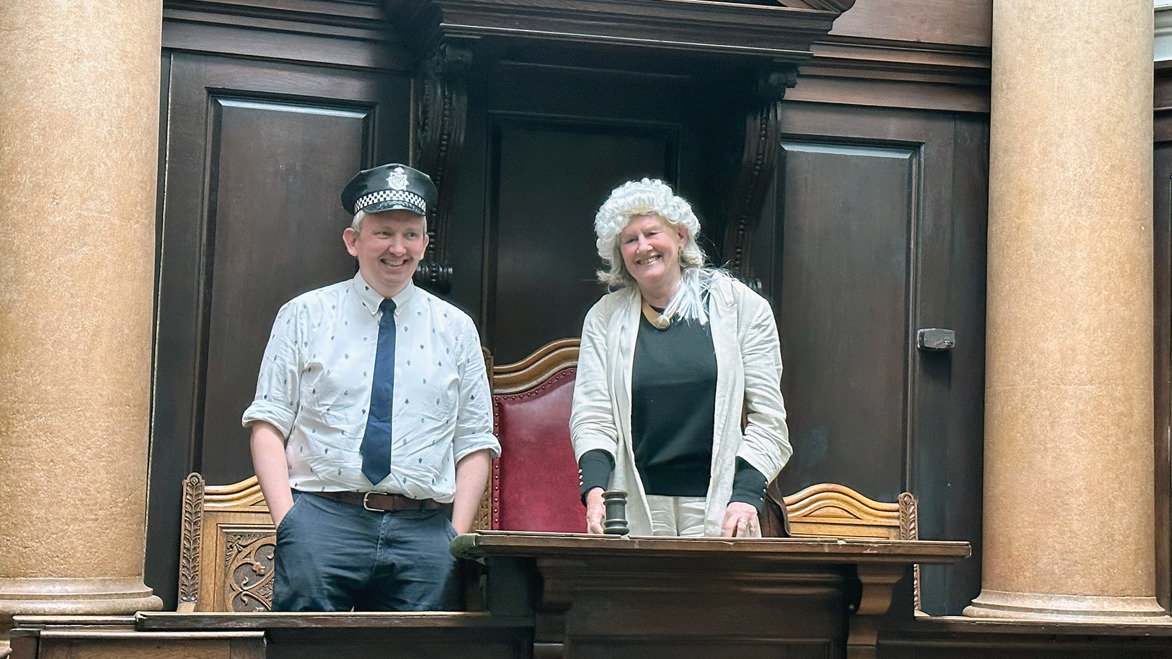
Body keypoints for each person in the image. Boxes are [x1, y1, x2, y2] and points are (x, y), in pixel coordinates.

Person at [242, 163, 499, 611]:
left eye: (411, 234)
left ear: (424, 243)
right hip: (322, 522)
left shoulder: (457, 329)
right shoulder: (304, 315)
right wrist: (291, 523)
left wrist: (453, 536)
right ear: (353, 241)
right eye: (383, 233)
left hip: (423, 534)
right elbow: (268, 421)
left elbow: (474, 440)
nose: (398, 248)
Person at [570, 178, 791, 538]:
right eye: (630, 239)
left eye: (652, 233)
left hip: (724, 510)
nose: (643, 247)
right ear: (620, 253)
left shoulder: (742, 308)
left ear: (681, 236)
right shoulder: (604, 318)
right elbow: (592, 415)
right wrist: (594, 493)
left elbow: (769, 421)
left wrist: (746, 497)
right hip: (633, 510)